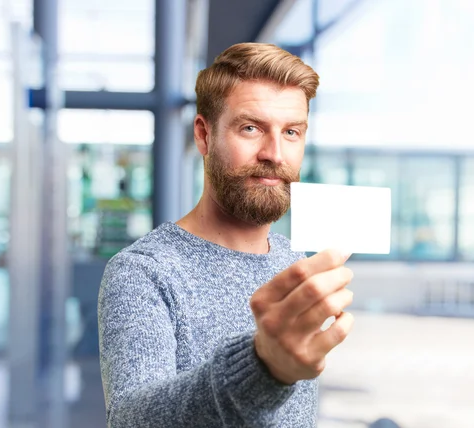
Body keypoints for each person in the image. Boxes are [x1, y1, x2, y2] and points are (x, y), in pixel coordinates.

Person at [98, 43, 355, 427]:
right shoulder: (143, 273)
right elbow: (133, 419)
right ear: (203, 135)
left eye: (291, 132)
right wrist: (262, 366)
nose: (276, 154)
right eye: (251, 128)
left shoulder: (294, 263)